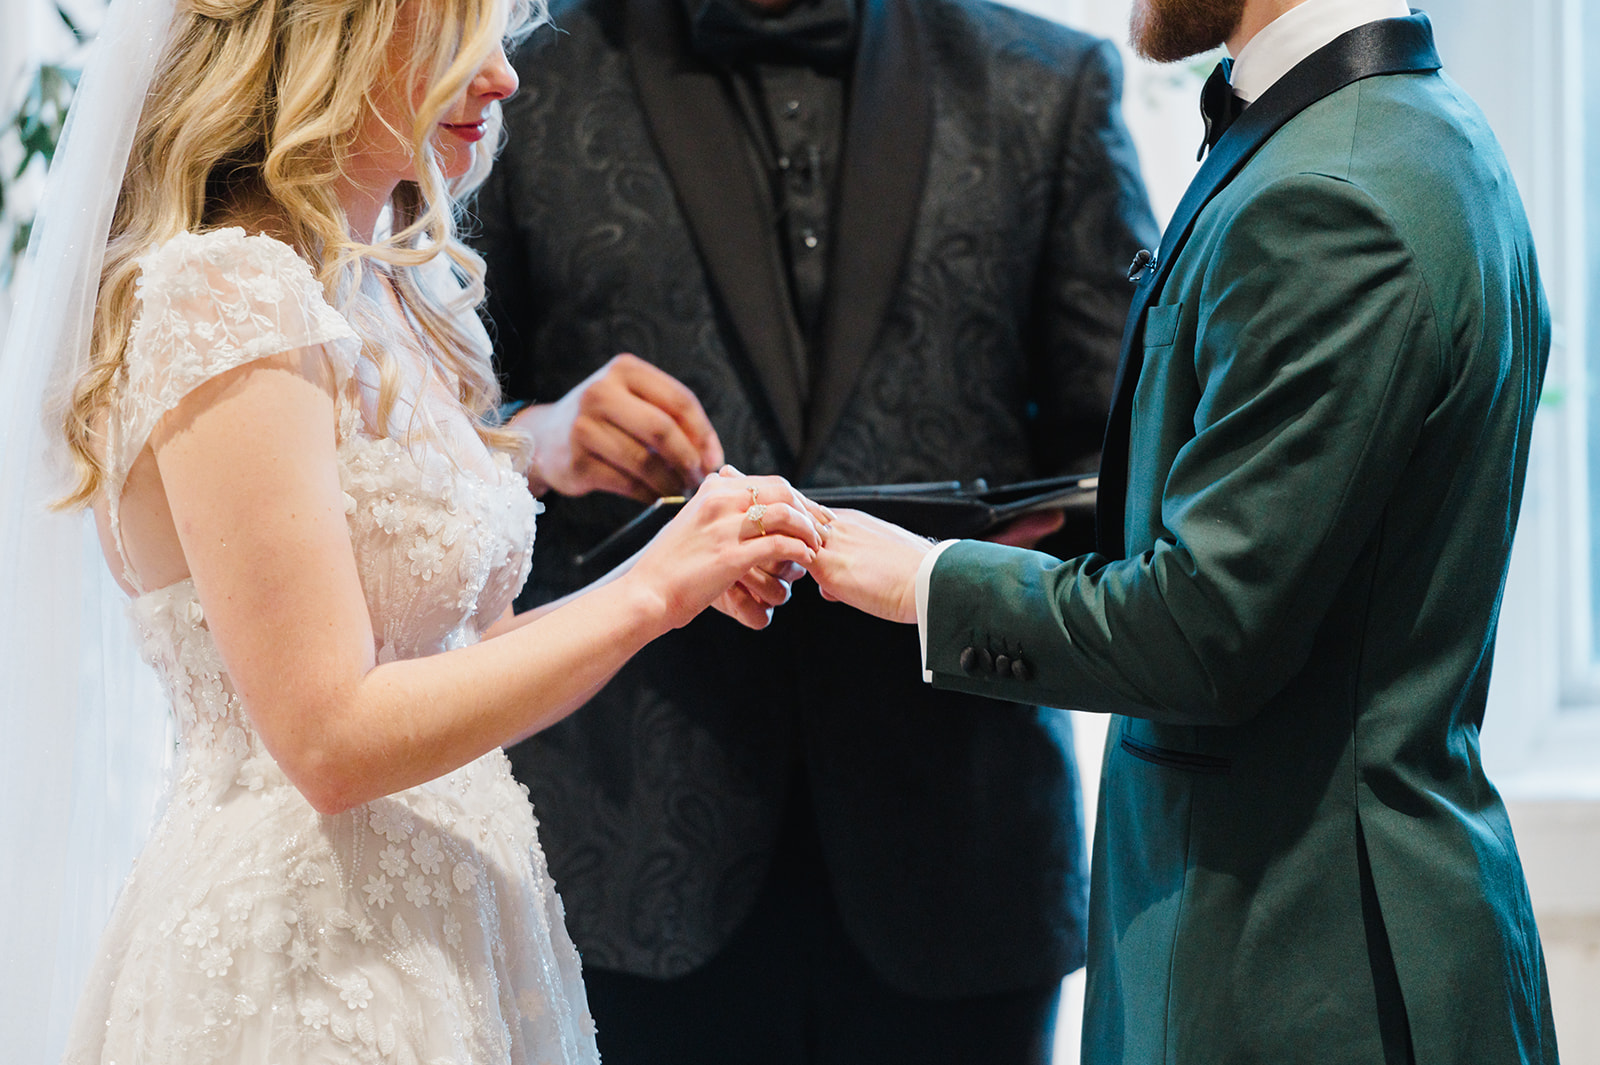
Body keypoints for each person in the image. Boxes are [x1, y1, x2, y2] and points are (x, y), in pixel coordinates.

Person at [0, 0, 833, 1061]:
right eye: (460, 37)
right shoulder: (226, 292)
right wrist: (652, 589)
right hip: (301, 960)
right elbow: (330, 739)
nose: (504, 79)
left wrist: (679, 579)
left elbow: (460, 661)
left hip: (451, 927)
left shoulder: (395, 291)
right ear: (331, 37)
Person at [808, 0, 1562, 1061]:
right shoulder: (1413, 133)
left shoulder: (1329, 193)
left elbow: (1203, 632)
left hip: (1300, 969)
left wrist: (922, 579)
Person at [471, 0, 1157, 1059]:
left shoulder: (1048, 80)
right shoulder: (524, 77)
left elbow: (1130, 458)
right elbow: (412, 430)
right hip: (622, 846)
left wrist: (961, 562)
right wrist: (539, 434)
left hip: (959, 848)